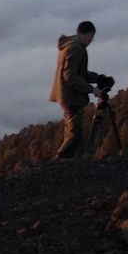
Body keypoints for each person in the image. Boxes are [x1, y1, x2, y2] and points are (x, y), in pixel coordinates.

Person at [49, 20, 113, 159]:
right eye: (91, 38)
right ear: (86, 34)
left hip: (65, 95)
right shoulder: (76, 48)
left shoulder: (68, 45)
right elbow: (70, 76)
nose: (91, 41)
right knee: (75, 136)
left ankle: (64, 164)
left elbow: (78, 73)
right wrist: (92, 89)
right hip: (71, 96)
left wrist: (98, 78)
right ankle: (58, 164)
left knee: (71, 133)